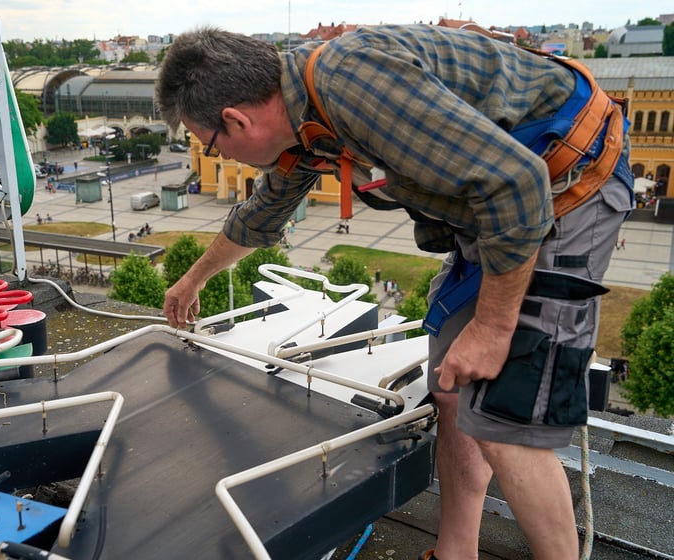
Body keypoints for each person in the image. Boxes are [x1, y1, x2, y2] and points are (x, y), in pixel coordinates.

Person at [157, 25, 634, 560]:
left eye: (211, 146)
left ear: (236, 120)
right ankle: (456, 551)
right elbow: (261, 216)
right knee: (453, 382)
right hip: (499, 213)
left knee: (505, 416)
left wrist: (495, 329)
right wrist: (192, 279)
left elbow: (516, 182)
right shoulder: (305, 118)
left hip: (567, 184)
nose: (223, 159)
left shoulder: (350, 84)